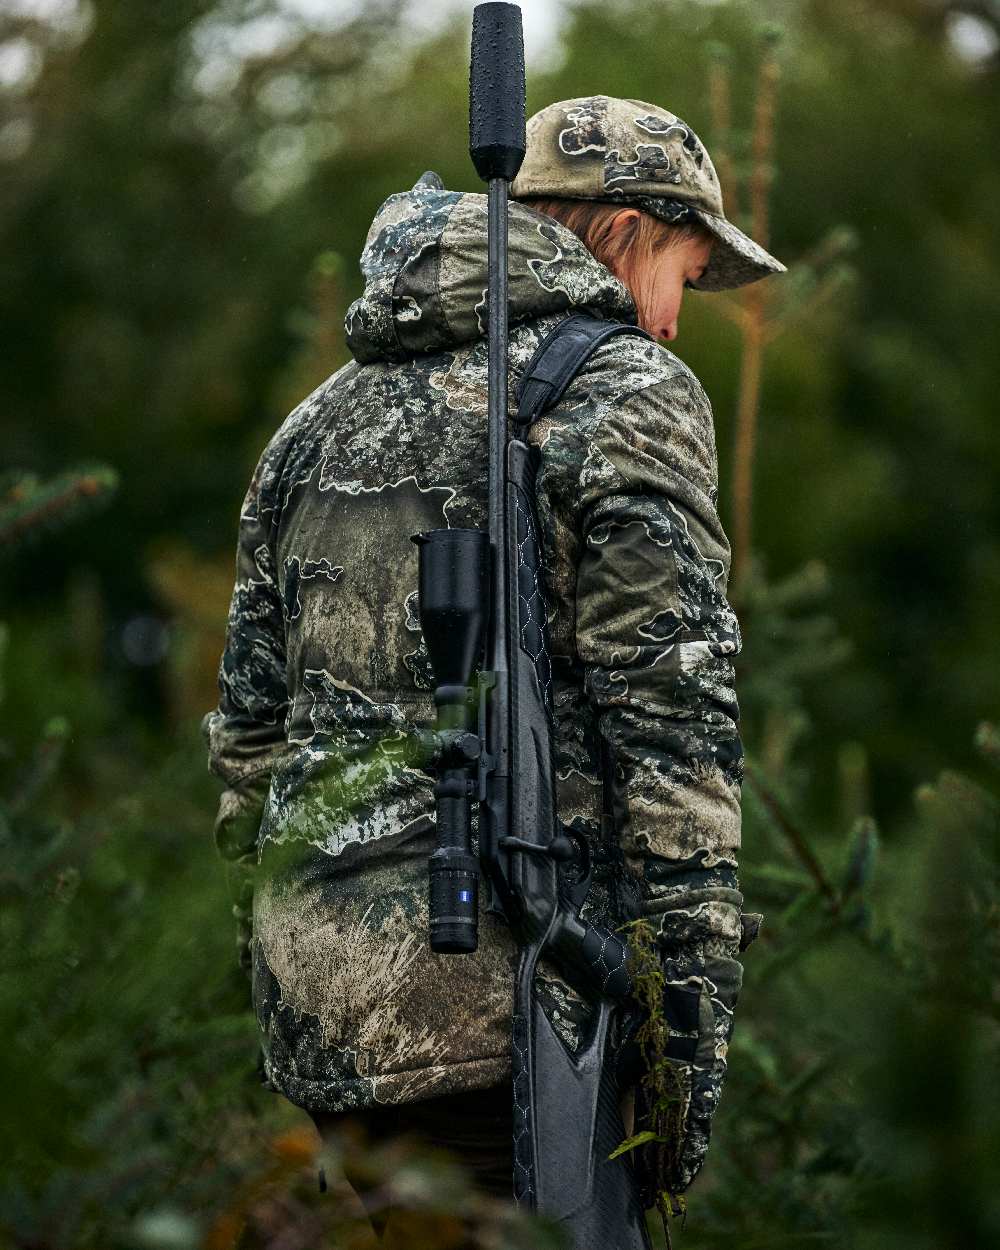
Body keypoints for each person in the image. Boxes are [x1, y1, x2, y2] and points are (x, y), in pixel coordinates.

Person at [202, 94, 783, 1242]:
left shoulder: (316, 421)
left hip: (323, 1020)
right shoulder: (626, 393)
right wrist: (689, 1012)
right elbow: (672, 725)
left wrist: (301, 948)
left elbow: (251, 738)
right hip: (517, 1017)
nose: (668, 322)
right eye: (682, 266)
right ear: (622, 227)